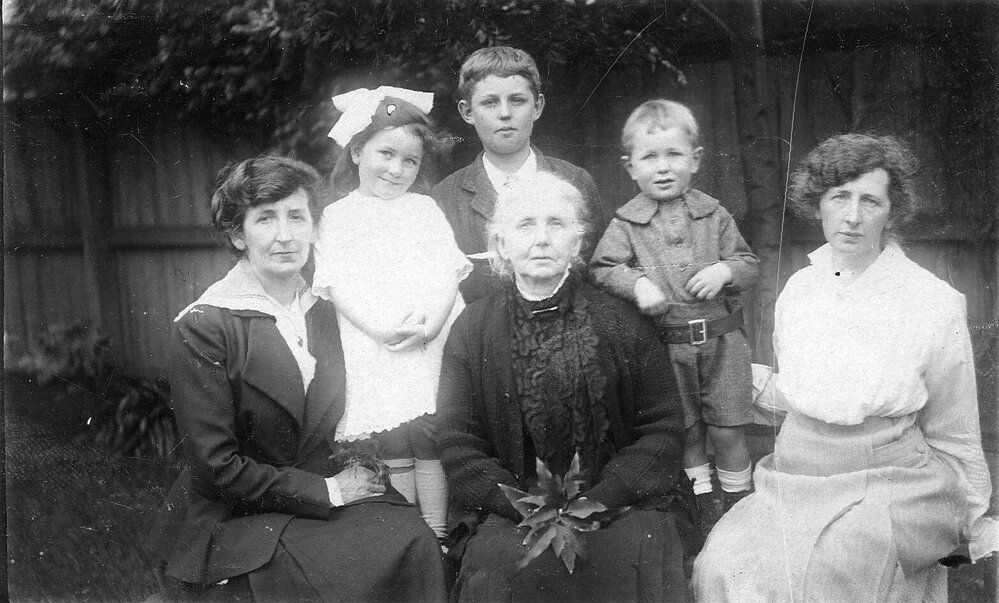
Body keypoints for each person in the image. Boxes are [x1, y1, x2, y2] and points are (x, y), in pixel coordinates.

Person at [693, 133, 998, 601]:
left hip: (890, 479)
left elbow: (954, 425)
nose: (852, 216)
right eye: (839, 197)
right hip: (794, 477)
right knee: (721, 567)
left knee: (828, 573)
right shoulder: (799, 290)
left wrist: (973, 520)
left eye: (870, 201)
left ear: (892, 212)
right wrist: (738, 380)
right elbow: (806, 394)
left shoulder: (932, 301)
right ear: (818, 204)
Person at [148, 156, 447, 601]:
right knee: (339, 571)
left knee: (413, 539)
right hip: (240, 514)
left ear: (313, 227)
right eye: (265, 219)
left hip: (322, 494)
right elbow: (215, 469)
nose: (285, 235)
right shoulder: (206, 325)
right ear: (238, 235)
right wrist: (326, 490)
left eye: (296, 216)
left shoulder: (325, 309)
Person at [437, 172, 694, 602]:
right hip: (514, 511)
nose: (542, 239)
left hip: (619, 503)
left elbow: (662, 428)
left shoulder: (622, 320)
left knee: (633, 553)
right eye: (525, 225)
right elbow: (458, 440)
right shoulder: (472, 328)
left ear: (576, 244)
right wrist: (519, 505)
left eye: (556, 224)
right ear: (501, 244)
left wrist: (601, 499)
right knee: (500, 566)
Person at [589, 100, 760, 523]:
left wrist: (724, 271)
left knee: (728, 428)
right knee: (686, 431)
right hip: (665, 348)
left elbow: (748, 263)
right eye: (650, 157)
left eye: (674, 155)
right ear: (630, 167)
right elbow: (602, 268)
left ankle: (738, 505)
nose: (663, 167)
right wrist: (637, 284)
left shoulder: (714, 214)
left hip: (722, 344)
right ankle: (700, 505)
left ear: (695, 160)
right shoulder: (626, 224)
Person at [312, 86, 470, 539]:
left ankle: (436, 535)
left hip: (427, 339)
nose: (396, 169)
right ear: (357, 151)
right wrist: (380, 329)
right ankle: (409, 536)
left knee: (429, 434)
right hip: (374, 343)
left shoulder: (423, 209)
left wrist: (433, 325)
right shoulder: (337, 217)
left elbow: (449, 272)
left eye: (410, 161)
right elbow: (336, 286)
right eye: (386, 154)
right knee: (394, 438)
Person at [431, 45, 606, 304]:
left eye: (517, 100)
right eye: (490, 102)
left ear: (537, 107)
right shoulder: (445, 198)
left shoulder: (575, 181)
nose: (505, 113)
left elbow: (596, 274)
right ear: (467, 112)